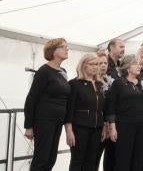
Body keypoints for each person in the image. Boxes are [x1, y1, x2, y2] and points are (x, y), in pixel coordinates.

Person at [24, 37, 71, 171]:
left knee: (51, 158)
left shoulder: (63, 71)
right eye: (63, 47)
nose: (67, 49)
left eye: (66, 46)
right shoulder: (44, 71)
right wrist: (29, 126)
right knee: (42, 159)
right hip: (44, 120)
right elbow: (31, 99)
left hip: (57, 120)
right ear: (53, 51)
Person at [107, 55, 143, 171]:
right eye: (135, 63)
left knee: (138, 158)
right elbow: (111, 106)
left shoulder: (141, 84)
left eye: (139, 64)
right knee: (123, 158)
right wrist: (112, 127)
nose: (139, 66)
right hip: (124, 125)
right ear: (127, 67)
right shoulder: (118, 83)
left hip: (141, 125)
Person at [66, 53, 105, 171]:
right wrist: (69, 131)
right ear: (83, 65)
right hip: (80, 128)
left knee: (92, 161)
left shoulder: (99, 84)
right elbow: (69, 109)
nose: (95, 67)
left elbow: (102, 108)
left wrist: (104, 127)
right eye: (92, 64)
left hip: (97, 128)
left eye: (97, 64)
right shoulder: (74, 84)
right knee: (77, 160)